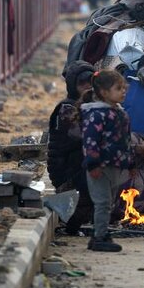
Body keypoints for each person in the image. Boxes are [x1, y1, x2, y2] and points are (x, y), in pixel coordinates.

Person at [80, 69, 138, 252]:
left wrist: (130, 163)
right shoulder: (97, 114)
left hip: (114, 166)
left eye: (124, 88)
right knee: (103, 202)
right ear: (104, 93)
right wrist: (92, 164)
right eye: (118, 88)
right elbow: (90, 141)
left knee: (109, 202)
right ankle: (99, 237)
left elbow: (125, 141)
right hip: (100, 167)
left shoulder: (119, 113)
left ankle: (100, 233)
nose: (123, 91)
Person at [47, 61, 96, 235]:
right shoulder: (67, 108)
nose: (88, 87)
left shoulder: (89, 107)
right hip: (66, 174)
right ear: (73, 85)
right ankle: (73, 222)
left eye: (91, 82)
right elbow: (84, 138)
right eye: (82, 83)